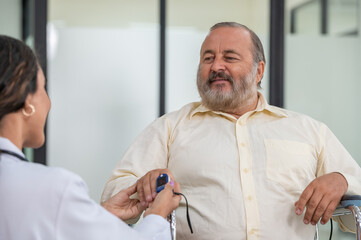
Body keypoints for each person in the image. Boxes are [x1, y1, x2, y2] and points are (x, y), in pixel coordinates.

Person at [101, 22, 361, 239]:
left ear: (258, 71)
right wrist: (144, 183)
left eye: (230, 57)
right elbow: (115, 193)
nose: (216, 67)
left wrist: (341, 180)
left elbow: (355, 197)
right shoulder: (170, 128)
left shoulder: (309, 130)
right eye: (208, 58)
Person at [0, 35, 181, 240]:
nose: (48, 102)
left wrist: (101, 215)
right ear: (25, 99)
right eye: (43, 88)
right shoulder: (53, 189)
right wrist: (158, 216)